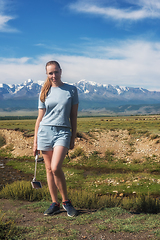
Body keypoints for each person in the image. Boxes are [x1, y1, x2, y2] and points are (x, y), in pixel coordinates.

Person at [33, 60, 79, 217]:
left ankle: (66, 202)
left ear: (61, 71)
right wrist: (35, 142)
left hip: (63, 132)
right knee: (48, 169)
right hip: (44, 133)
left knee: (55, 167)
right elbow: (39, 118)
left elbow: (73, 116)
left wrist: (73, 137)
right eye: (50, 73)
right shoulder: (44, 92)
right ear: (47, 74)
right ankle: (55, 203)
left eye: (56, 72)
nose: (53, 75)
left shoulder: (71, 90)